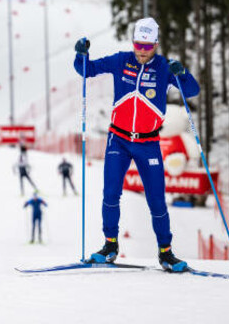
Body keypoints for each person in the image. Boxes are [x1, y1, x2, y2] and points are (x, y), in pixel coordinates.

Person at [73, 17, 199, 272]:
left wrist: (182, 73)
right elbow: (87, 69)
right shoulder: (122, 60)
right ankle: (110, 246)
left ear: (156, 44)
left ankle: (166, 253)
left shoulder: (163, 67)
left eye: (147, 46)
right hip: (118, 139)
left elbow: (192, 90)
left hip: (148, 142)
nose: (142, 51)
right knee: (110, 194)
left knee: (156, 200)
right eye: (138, 45)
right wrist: (80, 55)